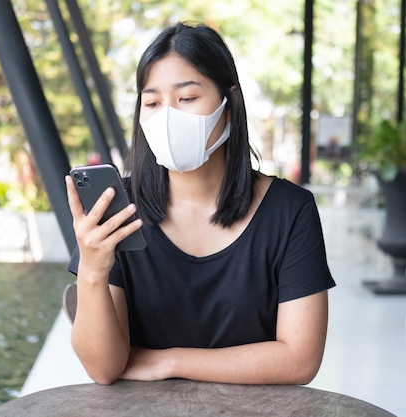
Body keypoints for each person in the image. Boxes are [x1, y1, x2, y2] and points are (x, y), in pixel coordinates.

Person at [65, 21, 335, 386]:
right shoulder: (117, 210)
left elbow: (300, 360)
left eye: (187, 98)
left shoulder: (290, 210)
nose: (168, 117)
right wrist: (93, 271)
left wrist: (171, 362)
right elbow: (103, 368)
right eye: (153, 102)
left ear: (229, 103)